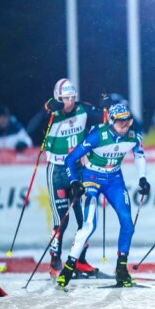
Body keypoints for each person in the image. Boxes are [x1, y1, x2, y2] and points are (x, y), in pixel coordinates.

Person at [56, 103, 149, 289]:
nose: (125, 126)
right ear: (111, 121)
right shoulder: (98, 135)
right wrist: (74, 181)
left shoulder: (132, 136)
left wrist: (143, 179)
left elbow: (139, 155)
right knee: (90, 224)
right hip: (91, 178)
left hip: (114, 179)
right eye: (121, 122)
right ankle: (68, 268)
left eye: (128, 121)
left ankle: (121, 269)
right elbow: (71, 158)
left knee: (127, 223)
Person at [41, 78, 108, 278]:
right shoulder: (53, 112)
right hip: (57, 171)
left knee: (84, 219)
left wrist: (107, 106)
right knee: (62, 219)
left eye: (72, 98)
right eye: (65, 99)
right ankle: (55, 260)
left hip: (78, 168)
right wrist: (52, 105)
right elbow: (45, 109)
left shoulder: (83, 109)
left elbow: (105, 119)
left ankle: (79, 260)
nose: (69, 102)